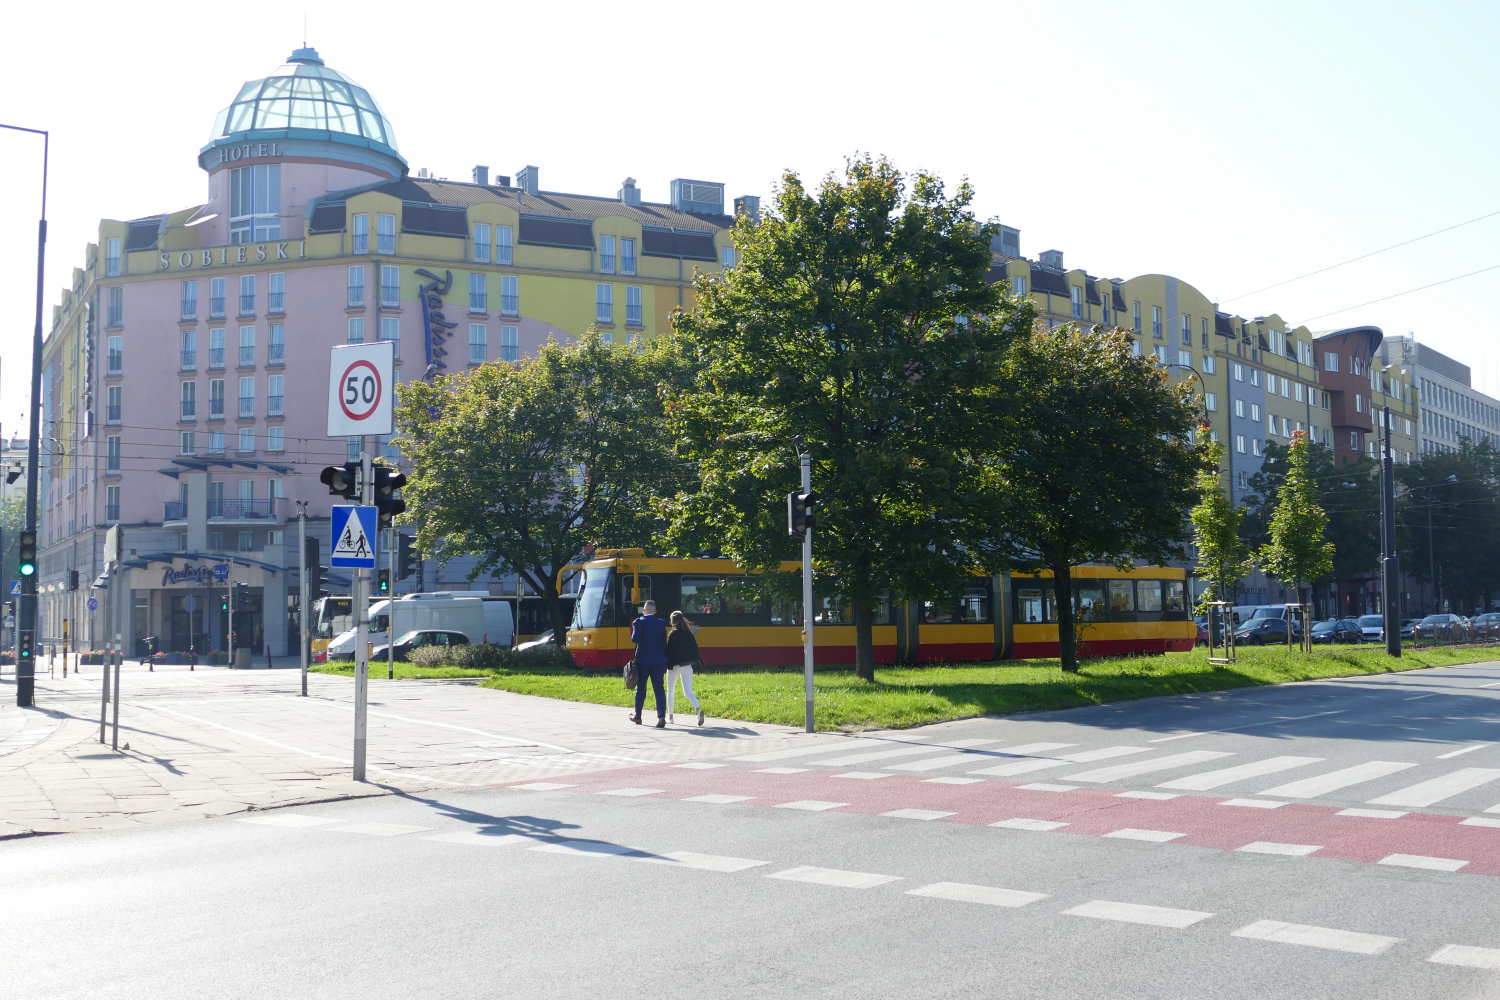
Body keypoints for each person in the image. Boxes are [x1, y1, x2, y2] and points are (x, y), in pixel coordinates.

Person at [628, 599, 669, 727]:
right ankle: (661, 716)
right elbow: (664, 644)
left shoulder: (638, 622)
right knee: (659, 689)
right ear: (655, 612)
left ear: (644, 610)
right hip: (659, 661)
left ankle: (638, 716)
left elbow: (634, 640)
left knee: (641, 687)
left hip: (643, 661)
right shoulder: (661, 623)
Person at [664, 611, 704, 727]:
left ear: (672, 621)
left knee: (670, 691)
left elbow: (670, 651)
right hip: (688, 666)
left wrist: (667, 664)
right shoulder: (689, 633)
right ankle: (698, 709)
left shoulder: (672, 634)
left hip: (675, 666)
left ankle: (670, 717)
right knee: (688, 691)